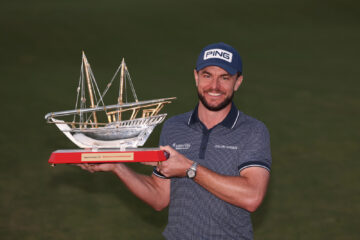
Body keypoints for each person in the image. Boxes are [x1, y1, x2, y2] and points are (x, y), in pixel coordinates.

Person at [78, 42, 271, 240]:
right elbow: (160, 197)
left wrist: (190, 168)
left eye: (224, 77)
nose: (214, 86)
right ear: (196, 77)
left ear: (237, 82)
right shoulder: (174, 127)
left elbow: (252, 197)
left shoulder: (253, 130)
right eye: (207, 75)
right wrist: (118, 167)